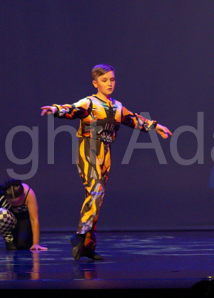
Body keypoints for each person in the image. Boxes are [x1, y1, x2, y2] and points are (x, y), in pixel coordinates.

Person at [40, 64, 172, 260]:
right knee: (96, 190)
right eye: (104, 80)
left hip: (106, 152)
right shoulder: (89, 103)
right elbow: (72, 109)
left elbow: (134, 119)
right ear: (95, 83)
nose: (109, 84)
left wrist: (156, 126)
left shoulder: (117, 106)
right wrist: (55, 109)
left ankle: (88, 246)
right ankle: (79, 235)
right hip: (89, 148)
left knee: (97, 198)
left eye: (112, 80)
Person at [0, 179, 47, 252]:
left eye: (18, 201)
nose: (16, 204)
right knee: (1, 214)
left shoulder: (28, 193)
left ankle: (19, 235)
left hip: (23, 218)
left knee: (22, 245)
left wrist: (35, 243)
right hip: (8, 219)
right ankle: (8, 237)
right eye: (12, 202)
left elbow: (34, 219)